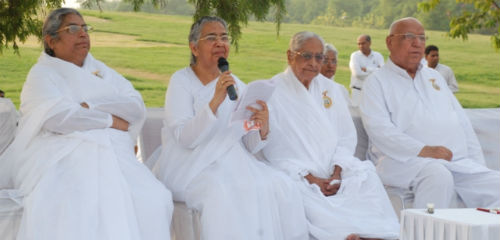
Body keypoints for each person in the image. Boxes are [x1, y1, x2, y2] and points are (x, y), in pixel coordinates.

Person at [0, 8, 173, 240]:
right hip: (63, 157)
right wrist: (110, 119)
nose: (82, 34)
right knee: (79, 203)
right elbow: (58, 117)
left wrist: (87, 105)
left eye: (85, 28)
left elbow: (134, 105)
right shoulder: (41, 75)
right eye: (72, 29)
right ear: (51, 41)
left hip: (115, 156)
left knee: (154, 198)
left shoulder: (100, 70)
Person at [148, 16, 309, 240]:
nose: (220, 43)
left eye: (224, 38)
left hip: (237, 161)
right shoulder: (181, 81)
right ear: (194, 47)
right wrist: (214, 102)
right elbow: (184, 138)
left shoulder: (237, 84)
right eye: (211, 38)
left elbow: (250, 145)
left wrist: (262, 126)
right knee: (223, 191)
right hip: (191, 165)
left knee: (282, 186)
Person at [260, 31, 399, 240]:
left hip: (333, 169)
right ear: (290, 56)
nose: (314, 63)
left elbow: (346, 137)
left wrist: (337, 171)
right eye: (306, 56)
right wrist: (310, 178)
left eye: (319, 57)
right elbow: (275, 150)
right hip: (299, 173)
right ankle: (346, 235)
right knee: (299, 193)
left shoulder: (332, 90)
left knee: (366, 177)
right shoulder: (272, 91)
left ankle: (375, 233)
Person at [360, 17, 500, 209]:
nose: (417, 43)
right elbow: (380, 130)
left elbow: (462, 122)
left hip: (454, 162)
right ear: (389, 42)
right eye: (409, 36)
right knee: (438, 176)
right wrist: (423, 150)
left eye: (422, 37)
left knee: (496, 184)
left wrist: (477, 164)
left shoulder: (434, 77)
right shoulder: (376, 82)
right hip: (401, 161)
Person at [349, 34, 384, 106]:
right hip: (358, 92)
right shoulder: (355, 56)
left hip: (373, 93)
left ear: (370, 43)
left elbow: (382, 73)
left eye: (363, 43)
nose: (361, 46)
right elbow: (357, 74)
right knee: (357, 116)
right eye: (359, 44)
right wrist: (376, 71)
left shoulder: (378, 56)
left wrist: (367, 69)